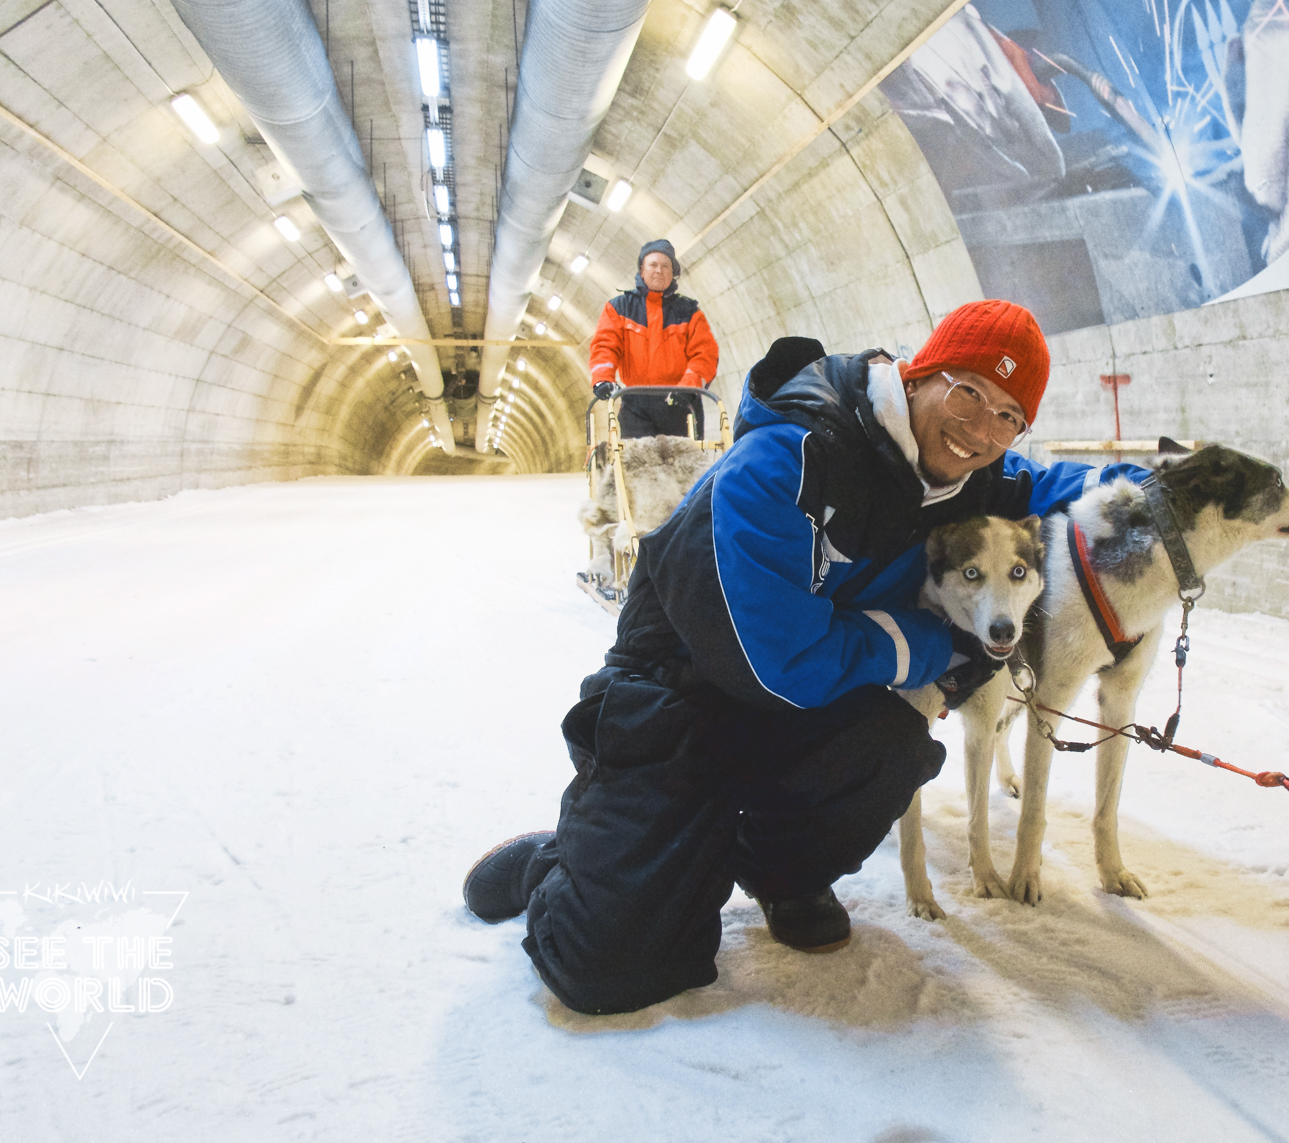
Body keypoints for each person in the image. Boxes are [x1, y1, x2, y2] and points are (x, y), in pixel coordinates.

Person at [463, 300, 1148, 1015]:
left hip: (797, 711)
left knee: (890, 746)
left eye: (1009, 415)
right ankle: (562, 864)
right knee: (608, 970)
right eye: (969, 392)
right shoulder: (792, 454)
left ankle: (780, 871)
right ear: (920, 375)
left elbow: (1055, 485)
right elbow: (782, 663)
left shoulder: (972, 473)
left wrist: (1159, 491)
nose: (982, 429)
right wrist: (931, 644)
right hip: (679, 691)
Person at [586, 240, 720, 438]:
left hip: (680, 403)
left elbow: (705, 354)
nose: (659, 270)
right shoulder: (619, 308)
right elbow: (605, 346)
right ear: (642, 269)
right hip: (635, 405)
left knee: (683, 465)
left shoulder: (690, 312)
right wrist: (602, 379)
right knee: (637, 463)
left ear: (673, 271)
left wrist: (688, 386)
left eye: (666, 266)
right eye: (653, 265)